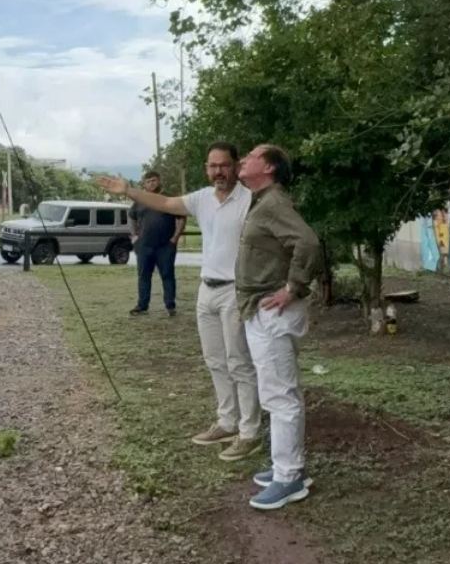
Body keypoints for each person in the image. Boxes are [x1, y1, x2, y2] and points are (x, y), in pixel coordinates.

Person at [96, 143, 262, 463]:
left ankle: (249, 431)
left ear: (236, 166)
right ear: (206, 168)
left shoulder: (250, 200)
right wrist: (128, 190)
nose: (218, 172)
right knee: (215, 360)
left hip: (236, 290)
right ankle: (227, 422)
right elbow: (165, 202)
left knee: (239, 361)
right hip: (207, 289)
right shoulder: (201, 199)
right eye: (212, 166)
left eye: (224, 165)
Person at [233, 144, 322, 511]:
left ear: (267, 167)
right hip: (262, 309)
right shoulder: (263, 201)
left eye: (251, 156)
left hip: (271, 310)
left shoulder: (273, 204)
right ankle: (286, 465)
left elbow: (308, 243)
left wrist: (292, 288)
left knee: (280, 394)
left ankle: (289, 477)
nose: (243, 160)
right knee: (279, 391)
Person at [128, 171, 185, 317]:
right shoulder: (139, 201)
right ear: (144, 184)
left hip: (165, 246)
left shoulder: (169, 198)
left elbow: (181, 218)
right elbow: (131, 217)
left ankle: (170, 306)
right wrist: (134, 237)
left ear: (159, 181)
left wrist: (175, 238)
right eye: (148, 181)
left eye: (154, 180)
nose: (151, 183)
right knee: (143, 276)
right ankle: (142, 306)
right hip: (144, 246)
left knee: (167, 275)